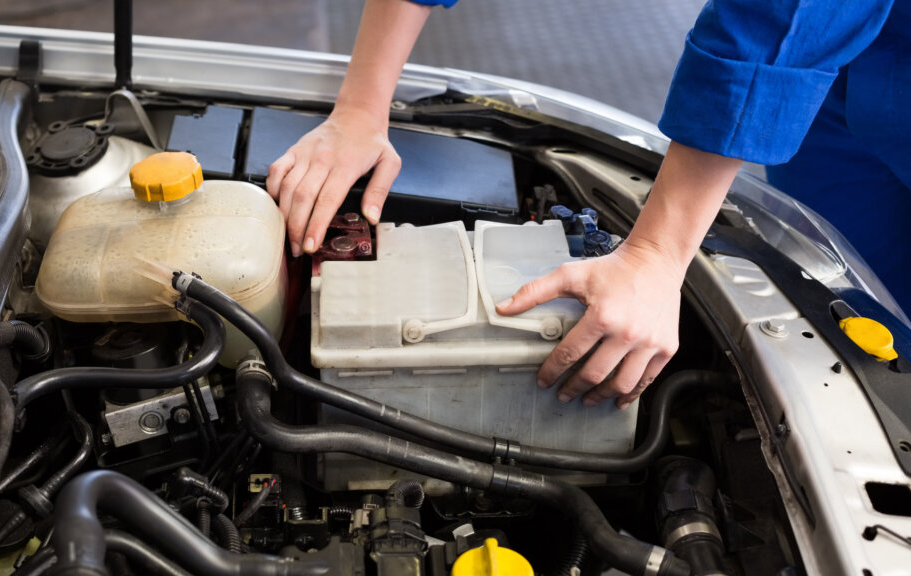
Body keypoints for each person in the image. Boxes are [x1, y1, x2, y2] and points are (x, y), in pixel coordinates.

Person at [268, 0, 910, 409]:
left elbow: (780, 23)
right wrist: (359, 109)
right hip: (841, 74)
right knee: (853, 303)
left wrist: (656, 256)